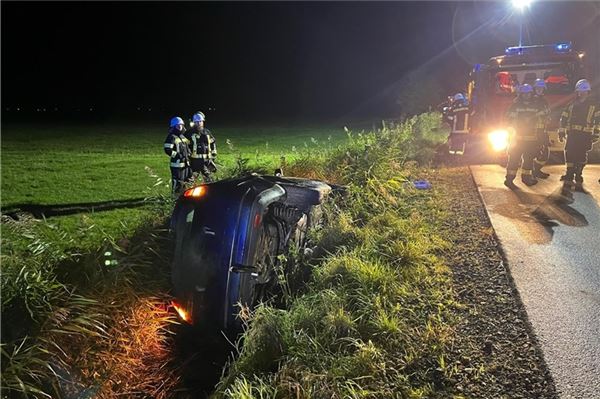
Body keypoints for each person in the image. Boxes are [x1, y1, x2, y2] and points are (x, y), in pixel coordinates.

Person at [558, 79, 600, 191]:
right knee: (570, 153)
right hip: (572, 134)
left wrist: (596, 133)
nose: (582, 93)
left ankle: (578, 173)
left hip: (585, 135)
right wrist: (561, 131)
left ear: (588, 92)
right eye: (580, 91)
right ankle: (569, 174)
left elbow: (598, 120)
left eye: (584, 91)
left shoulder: (594, 105)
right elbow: (564, 118)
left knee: (581, 155)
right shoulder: (571, 105)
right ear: (577, 92)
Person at [504, 84, 547, 188]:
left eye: (528, 93)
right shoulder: (515, 106)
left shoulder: (536, 106)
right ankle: (509, 180)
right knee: (514, 159)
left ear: (531, 94)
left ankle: (526, 178)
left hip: (531, 139)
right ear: (521, 94)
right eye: (524, 94)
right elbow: (509, 120)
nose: (527, 95)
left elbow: (542, 122)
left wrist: (540, 137)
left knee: (529, 159)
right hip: (517, 139)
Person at [185, 111, 218, 182]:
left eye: (200, 121)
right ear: (194, 122)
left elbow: (212, 143)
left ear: (203, 122)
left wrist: (213, 157)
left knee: (209, 180)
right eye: (197, 122)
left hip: (207, 161)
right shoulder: (189, 133)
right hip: (194, 162)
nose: (199, 123)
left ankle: (209, 192)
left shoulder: (207, 132)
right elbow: (184, 146)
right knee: (191, 181)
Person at [163, 116, 191, 194]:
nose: (180, 126)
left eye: (181, 124)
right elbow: (167, 150)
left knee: (186, 182)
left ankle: (183, 198)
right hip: (177, 165)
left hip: (185, 164)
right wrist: (178, 155)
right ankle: (175, 199)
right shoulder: (171, 137)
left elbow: (188, 145)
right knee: (178, 183)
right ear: (173, 126)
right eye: (177, 125)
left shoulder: (182, 136)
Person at [532, 79, 551, 179]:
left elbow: (547, 112)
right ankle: (532, 171)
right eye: (538, 88)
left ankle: (536, 170)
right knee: (533, 151)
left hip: (542, 130)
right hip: (533, 131)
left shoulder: (543, 100)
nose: (539, 90)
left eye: (541, 88)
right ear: (534, 89)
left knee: (544, 151)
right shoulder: (532, 100)